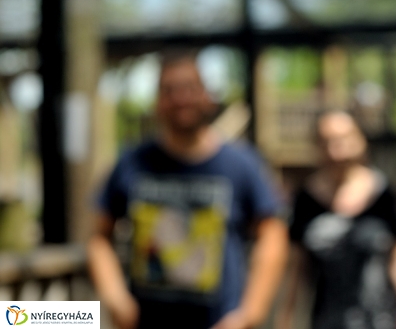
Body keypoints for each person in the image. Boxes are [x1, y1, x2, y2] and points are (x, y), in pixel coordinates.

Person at [87, 52, 289, 329]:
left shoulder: (241, 165)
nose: (181, 98)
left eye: (190, 88)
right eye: (169, 90)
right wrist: (115, 297)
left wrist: (250, 313)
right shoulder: (132, 164)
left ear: (207, 95)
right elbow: (99, 237)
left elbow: (272, 235)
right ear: (158, 101)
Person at [280, 110, 396, 329]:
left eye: (343, 139)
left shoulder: (384, 195)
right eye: (327, 141)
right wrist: (285, 321)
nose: (336, 149)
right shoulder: (305, 201)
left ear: (360, 140)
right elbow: (296, 270)